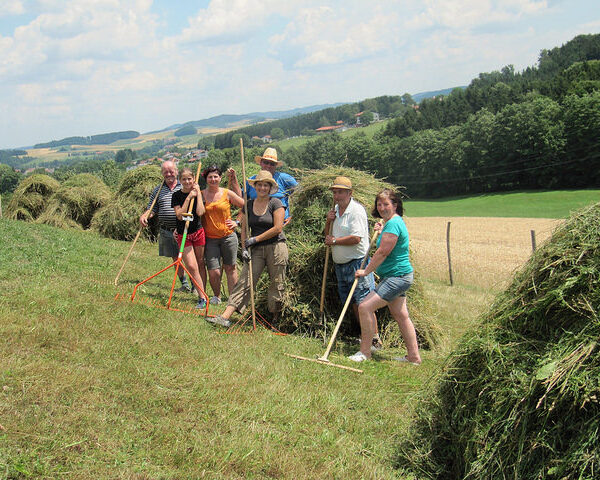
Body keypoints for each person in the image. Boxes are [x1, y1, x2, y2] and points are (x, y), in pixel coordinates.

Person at [350, 189, 421, 364]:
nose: (382, 208)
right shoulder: (391, 223)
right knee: (400, 314)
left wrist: (366, 271)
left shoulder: (394, 224)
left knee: (365, 307)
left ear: (395, 205)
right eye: (379, 204)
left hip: (396, 277)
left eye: (386, 204)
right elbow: (389, 244)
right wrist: (382, 231)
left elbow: (383, 252)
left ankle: (365, 352)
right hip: (400, 276)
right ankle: (413, 357)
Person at [214, 170, 288, 327]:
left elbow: (278, 228)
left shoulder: (276, 203)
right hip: (256, 250)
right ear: (255, 187)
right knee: (245, 280)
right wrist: (244, 247)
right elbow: (245, 228)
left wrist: (256, 239)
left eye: (265, 185)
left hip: (276, 247)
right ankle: (225, 317)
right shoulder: (248, 205)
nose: (262, 188)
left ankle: (275, 319)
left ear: (270, 187)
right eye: (259, 185)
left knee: (277, 282)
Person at [324, 176, 382, 350]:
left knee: (364, 302)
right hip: (341, 265)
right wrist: (328, 220)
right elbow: (327, 236)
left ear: (350, 193)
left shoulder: (356, 210)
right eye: (334, 192)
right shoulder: (335, 210)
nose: (337, 195)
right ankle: (363, 336)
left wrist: (334, 241)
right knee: (353, 303)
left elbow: (356, 238)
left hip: (357, 264)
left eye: (340, 192)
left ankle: (375, 340)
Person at [139, 160, 190, 291]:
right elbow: (152, 208)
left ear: (176, 172)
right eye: (165, 172)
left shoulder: (184, 186)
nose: (169, 174)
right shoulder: (158, 190)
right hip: (167, 230)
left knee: (189, 259)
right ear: (162, 173)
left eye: (171, 171)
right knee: (175, 257)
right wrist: (145, 216)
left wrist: (181, 226)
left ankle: (196, 285)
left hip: (184, 230)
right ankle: (184, 284)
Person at [201, 165, 245, 305]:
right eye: (210, 177)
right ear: (206, 179)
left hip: (228, 237)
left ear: (220, 178)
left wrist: (237, 221)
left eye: (216, 176)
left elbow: (245, 206)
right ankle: (216, 296)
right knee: (214, 271)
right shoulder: (201, 194)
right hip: (210, 239)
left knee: (230, 268)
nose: (213, 179)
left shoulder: (227, 193)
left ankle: (233, 299)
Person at [170, 168, 208, 309]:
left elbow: (200, 212)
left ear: (193, 179)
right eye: (184, 179)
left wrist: (197, 195)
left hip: (197, 232)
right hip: (183, 234)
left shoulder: (199, 193)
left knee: (199, 263)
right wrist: (189, 197)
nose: (187, 182)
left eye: (189, 179)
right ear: (180, 180)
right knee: (191, 266)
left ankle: (202, 292)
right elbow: (179, 215)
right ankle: (202, 298)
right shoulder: (176, 196)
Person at [232, 147, 297, 224]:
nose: (268, 166)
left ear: (276, 165)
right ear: (261, 163)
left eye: (272, 164)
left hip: (281, 224)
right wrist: (233, 179)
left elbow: (302, 194)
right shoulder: (253, 180)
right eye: (266, 162)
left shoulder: (284, 179)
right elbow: (242, 198)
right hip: (258, 225)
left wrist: (294, 216)